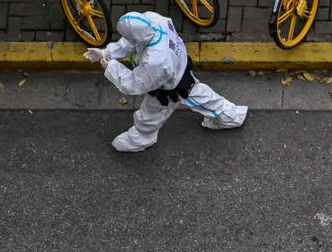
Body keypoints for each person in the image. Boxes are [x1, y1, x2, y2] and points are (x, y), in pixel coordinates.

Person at [84, 11, 248, 152]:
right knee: (199, 94)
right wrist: (107, 52)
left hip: (167, 86)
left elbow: (135, 84)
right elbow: (133, 41)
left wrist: (109, 65)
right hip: (180, 68)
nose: (127, 39)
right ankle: (232, 116)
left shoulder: (156, 61)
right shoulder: (154, 20)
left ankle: (142, 138)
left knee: (149, 115)